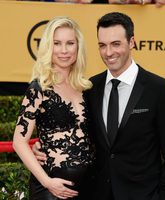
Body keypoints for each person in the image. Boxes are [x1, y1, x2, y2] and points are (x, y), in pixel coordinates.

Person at [33, 12, 165, 200]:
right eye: (102, 45)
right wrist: (43, 146)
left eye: (116, 44)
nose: (108, 52)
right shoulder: (89, 88)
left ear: (131, 42)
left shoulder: (159, 89)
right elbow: (76, 134)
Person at [13, 16, 95, 200]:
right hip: (50, 191)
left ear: (78, 47)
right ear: (48, 47)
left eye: (70, 43)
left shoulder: (88, 89)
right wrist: (47, 182)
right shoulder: (38, 88)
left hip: (88, 188)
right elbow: (18, 141)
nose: (64, 50)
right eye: (57, 43)